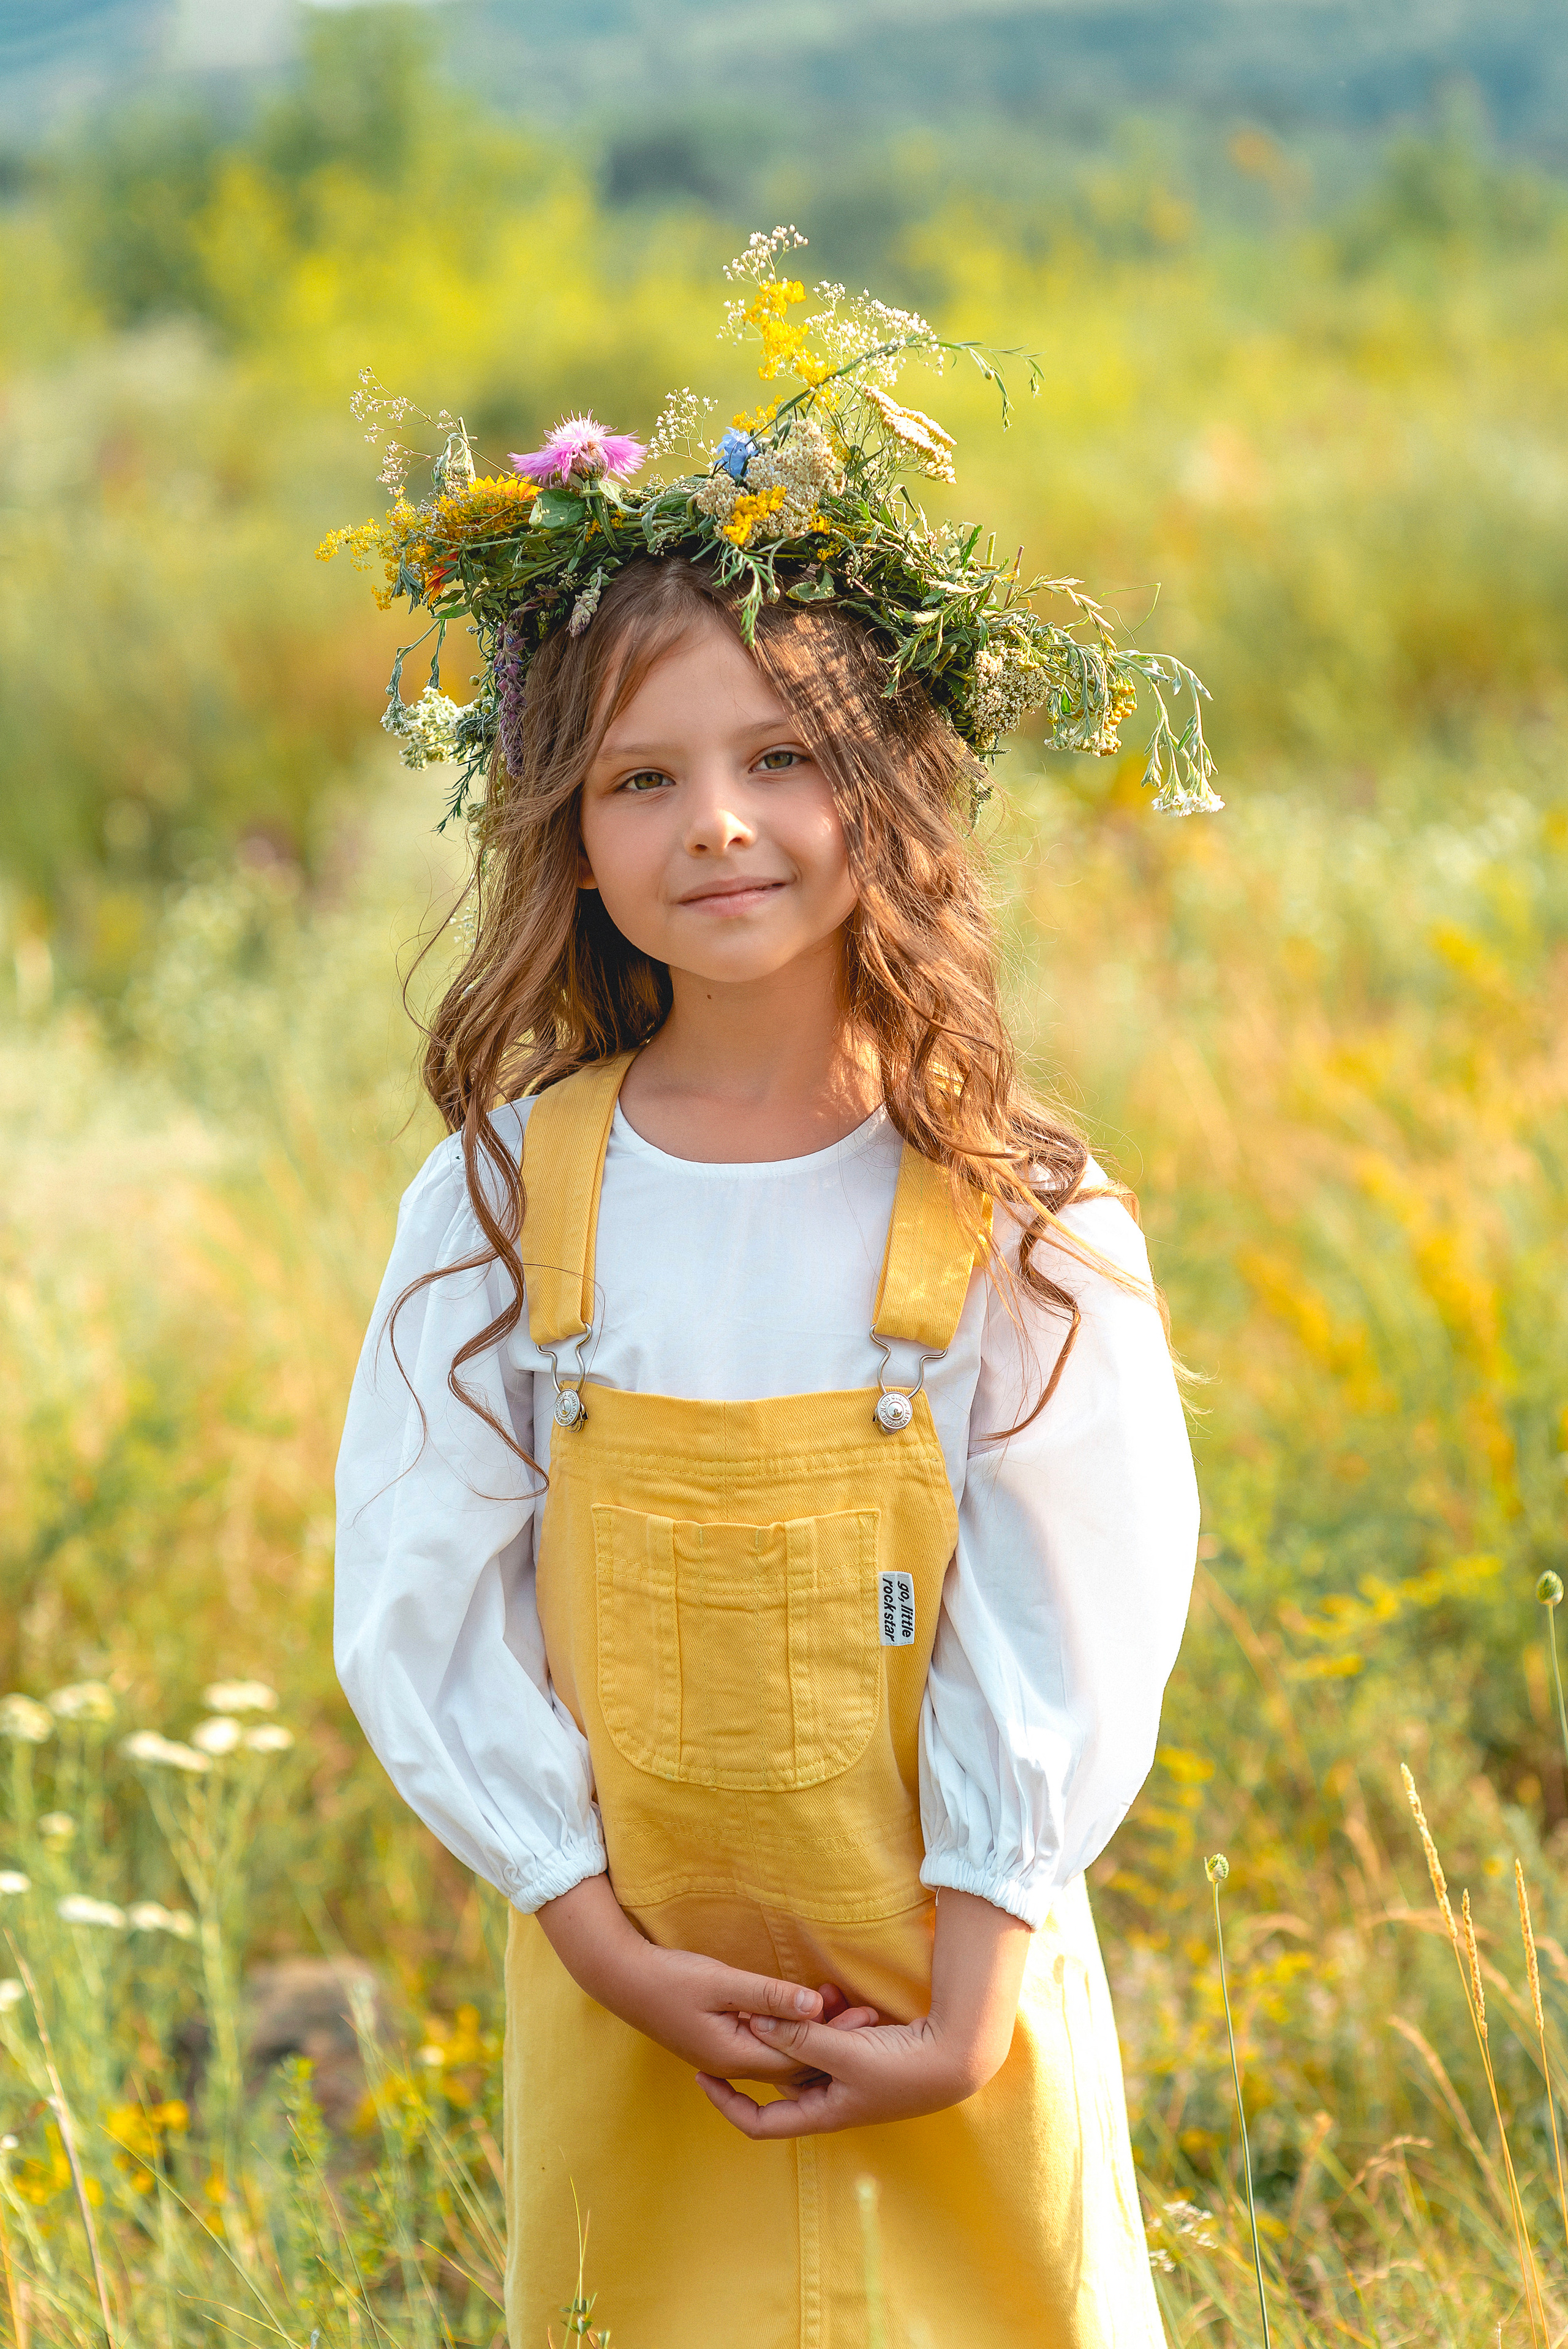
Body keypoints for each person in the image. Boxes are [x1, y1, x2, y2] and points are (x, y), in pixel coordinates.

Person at [331, 233, 1204, 2349]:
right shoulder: (498, 1202)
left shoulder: (1012, 1211)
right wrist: (598, 1935)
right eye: (643, 777)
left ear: (885, 787)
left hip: (951, 1991)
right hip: (641, 1995)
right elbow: (425, 1585)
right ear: (569, 822)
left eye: (781, 758)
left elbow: (1074, 1601)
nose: (717, 825)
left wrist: (974, 1998)